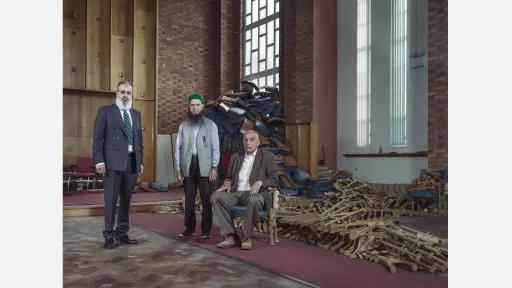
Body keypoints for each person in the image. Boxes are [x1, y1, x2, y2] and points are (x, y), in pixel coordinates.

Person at [92, 80, 144, 249]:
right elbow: (98, 138)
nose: (125, 95)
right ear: (117, 93)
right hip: (112, 163)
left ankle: (122, 233)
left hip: (131, 163)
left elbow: (139, 141)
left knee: (126, 201)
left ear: (131, 95)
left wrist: (140, 162)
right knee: (111, 200)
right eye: (122, 92)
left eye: (128, 92)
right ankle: (109, 235)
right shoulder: (106, 112)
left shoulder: (136, 114)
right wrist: (99, 160)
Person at [211, 130, 278, 250]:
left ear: (258, 142)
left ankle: (246, 237)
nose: (248, 142)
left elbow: (274, 180)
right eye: (246, 140)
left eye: (252, 140)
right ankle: (231, 236)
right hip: (236, 193)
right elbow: (229, 177)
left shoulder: (267, 157)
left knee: (254, 200)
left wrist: (261, 182)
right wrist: (227, 182)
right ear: (243, 142)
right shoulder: (236, 157)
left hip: (255, 193)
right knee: (216, 196)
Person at [175, 93, 220, 239]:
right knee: (189, 199)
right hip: (188, 165)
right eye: (192, 105)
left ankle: (206, 230)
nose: (194, 108)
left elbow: (215, 147)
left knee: (206, 200)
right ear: (189, 107)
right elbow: (178, 148)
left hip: (205, 166)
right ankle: (190, 228)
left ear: (202, 106)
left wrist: (214, 167)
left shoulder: (211, 125)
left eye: (197, 105)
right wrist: (177, 168)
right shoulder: (183, 126)